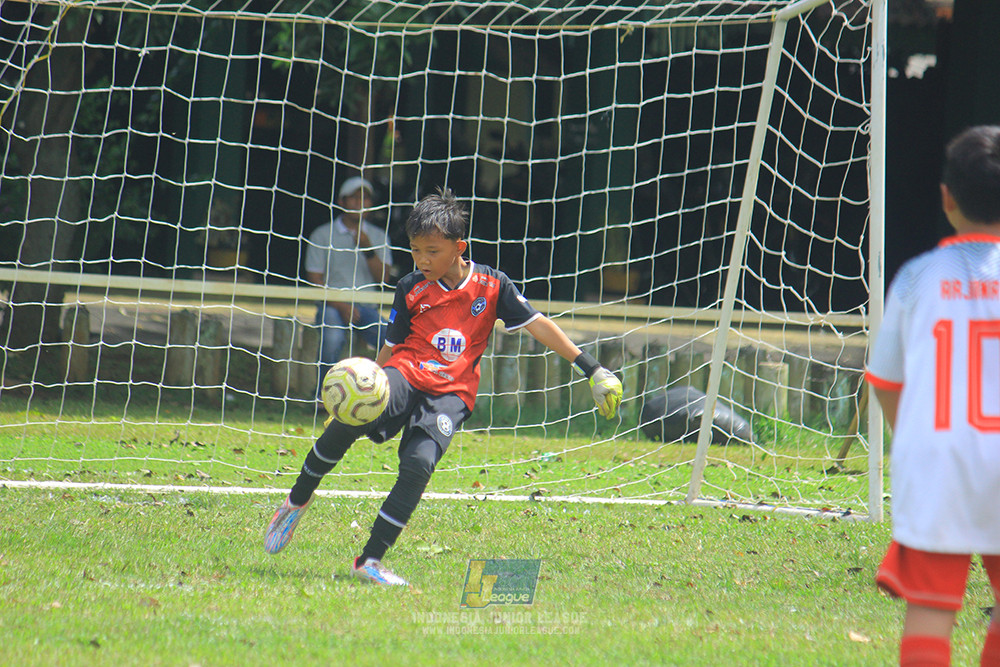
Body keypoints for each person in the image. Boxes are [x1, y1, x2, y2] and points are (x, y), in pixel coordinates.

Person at [266, 188, 624, 585]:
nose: (422, 260)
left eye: (432, 251)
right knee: (351, 419)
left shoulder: (492, 285)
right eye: (415, 250)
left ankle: (369, 561)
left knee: (419, 464)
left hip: (452, 393)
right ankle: (296, 500)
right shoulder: (410, 287)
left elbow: (538, 324)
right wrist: (364, 387)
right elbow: (391, 344)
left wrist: (592, 369)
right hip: (406, 372)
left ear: (459, 247)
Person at [866, 125, 1000, 667]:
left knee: (929, 609)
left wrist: (913, 439)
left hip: (937, 461)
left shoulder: (916, 278)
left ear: (946, 198)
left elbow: (884, 381)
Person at [305, 176, 393, 399]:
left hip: (366, 307)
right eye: (354, 198)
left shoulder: (378, 236)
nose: (360, 203)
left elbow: (384, 278)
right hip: (332, 305)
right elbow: (314, 279)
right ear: (341, 201)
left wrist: (368, 249)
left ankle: (387, 397)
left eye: (365, 199)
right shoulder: (322, 234)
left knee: (391, 339)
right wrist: (341, 305)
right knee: (333, 337)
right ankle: (323, 396)